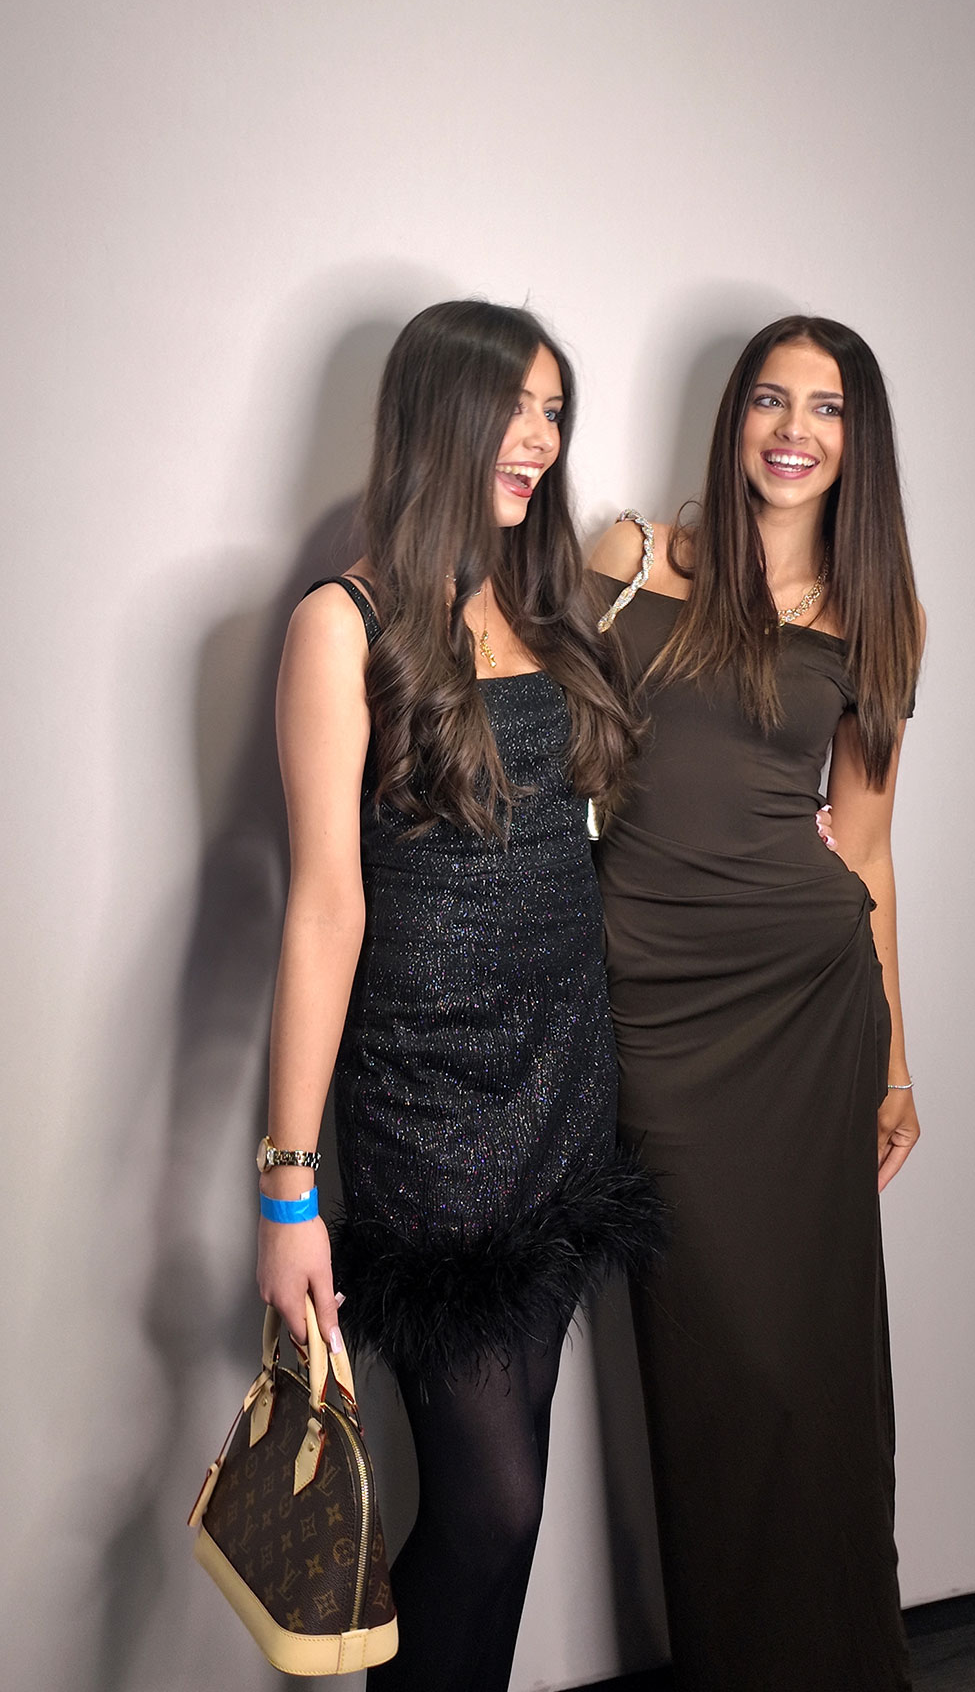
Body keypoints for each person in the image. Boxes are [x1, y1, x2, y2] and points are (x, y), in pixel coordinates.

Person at [255, 299, 663, 1692]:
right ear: (435, 414)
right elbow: (323, 909)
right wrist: (291, 1186)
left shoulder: (543, 600)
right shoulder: (342, 624)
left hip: (565, 1087)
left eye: (556, 409)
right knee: (487, 1509)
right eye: (514, 408)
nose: (540, 440)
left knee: (516, 1506)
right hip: (431, 1108)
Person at [590, 313, 924, 1690]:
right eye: (771, 401)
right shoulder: (628, 563)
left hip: (809, 1010)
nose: (796, 430)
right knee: (713, 1367)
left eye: (828, 407)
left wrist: (900, 1063)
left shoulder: (879, 619)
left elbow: (873, 849)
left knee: (816, 1374)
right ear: (734, 422)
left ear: (859, 442)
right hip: (652, 1009)